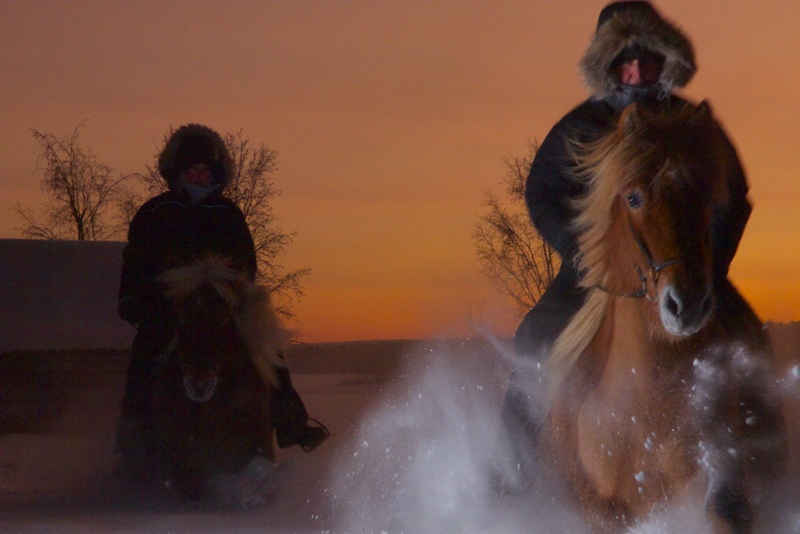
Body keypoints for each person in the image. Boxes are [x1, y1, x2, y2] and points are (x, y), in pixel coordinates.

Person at [501, 0, 766, 487]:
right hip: (593, 271)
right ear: (608, 66)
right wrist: (580, 252)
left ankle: (766, 456)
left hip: (684, 269)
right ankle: (509, 473)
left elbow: (734, 196)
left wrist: (711, 263)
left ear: (667, 61)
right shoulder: (580, 127)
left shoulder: (692, 124)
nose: (638, 69)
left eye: (648, 58)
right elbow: (540, 193)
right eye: (626, 59)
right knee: (535, 340)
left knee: (749, 335)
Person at [115, 123, 329, 479]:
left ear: (215, 174)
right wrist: (132, 297)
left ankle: (291, 421)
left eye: (205, 170)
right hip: (169, 303)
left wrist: (234, 292)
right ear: (178, 172)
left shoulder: (228, 213)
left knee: (269, 353)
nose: (199, 176)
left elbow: (247, 263)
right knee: (145, 357)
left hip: (224, 301)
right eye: (192, 169)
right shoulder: (156, 211)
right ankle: (133, 442)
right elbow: (135, 260)